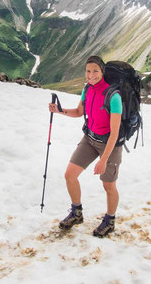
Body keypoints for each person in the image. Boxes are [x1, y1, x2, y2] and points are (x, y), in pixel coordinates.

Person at [48, 55, 123, 238]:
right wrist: (60, 111)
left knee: (108, 185)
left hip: (109, 144)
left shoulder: (114, 96)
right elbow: (79, 112)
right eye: (88, 71)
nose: (91, 75)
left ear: (102, 71)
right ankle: (77, 213)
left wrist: (104, 160)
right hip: (89, 138)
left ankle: (110, 220)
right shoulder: (87, 89)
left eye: (95, 71)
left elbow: (115, 132)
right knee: (70, 175)